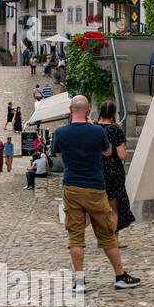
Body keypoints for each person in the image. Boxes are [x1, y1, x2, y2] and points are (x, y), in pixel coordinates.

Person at [53, 95, 141, 292]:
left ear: (70, 109)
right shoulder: (96, 132)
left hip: (72, 187)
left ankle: (79, 281)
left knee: (75, 236)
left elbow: (59, 156)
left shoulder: (60, 132)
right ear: (88, 111)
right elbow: (109, 152)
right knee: (107, 234)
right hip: (94, 187)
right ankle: (119, 276)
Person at [96, 100, 136, 237]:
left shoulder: (94, 129)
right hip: (113, 173)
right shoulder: (116, 131)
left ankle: (102, 238)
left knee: (99, 208)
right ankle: (112, 241)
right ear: (114, 113)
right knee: (113, 209)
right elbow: (123, 155)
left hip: (96, 171)